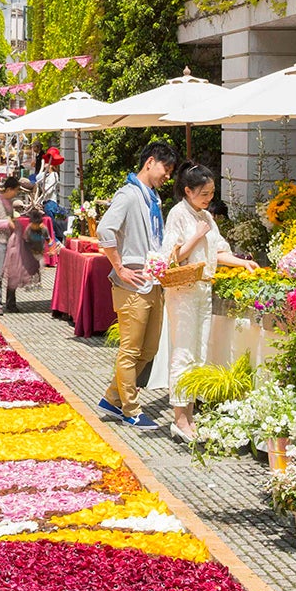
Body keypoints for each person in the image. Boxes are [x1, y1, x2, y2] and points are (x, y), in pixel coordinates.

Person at [160, 165, 258, 442]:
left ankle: (190, 415)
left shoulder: (205, 216)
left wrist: (243, 262)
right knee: (183, 351)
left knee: (200, 351)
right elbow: (173, 257)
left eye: (212, 193)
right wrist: (196, 235)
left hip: (203, 290)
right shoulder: (178, 214)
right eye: (203, 193)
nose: (208, 198)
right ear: (188, 191)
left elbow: (218, 251)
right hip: (183, 292)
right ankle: (179, 417)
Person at [97, 141, 179, 430]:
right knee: (131, 350)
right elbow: (104, 229)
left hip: (152, 282)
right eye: (166, 169)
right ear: (150, 162)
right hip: (131, 284)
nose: (168, 176)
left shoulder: (152, 198)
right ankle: (130, 408)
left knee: (150, 348)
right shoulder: (130, 195)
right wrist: (119, 267)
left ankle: (112, 397)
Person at [0, 175, 23, 314]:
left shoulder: (10, 202)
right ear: (9, 189)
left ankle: (11, 303)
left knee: (13, 273)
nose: (16, 194)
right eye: (15, 191)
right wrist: (6, 223)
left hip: (11, 241)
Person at [38, 148, 66, 244]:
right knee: (49, 226)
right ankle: (55, 243)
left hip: (50, 203)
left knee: (51, 227)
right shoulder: (48, 175)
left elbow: (48, 190)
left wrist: (43, 189)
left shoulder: (54, 175)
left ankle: (57, 244)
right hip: (47, 202)